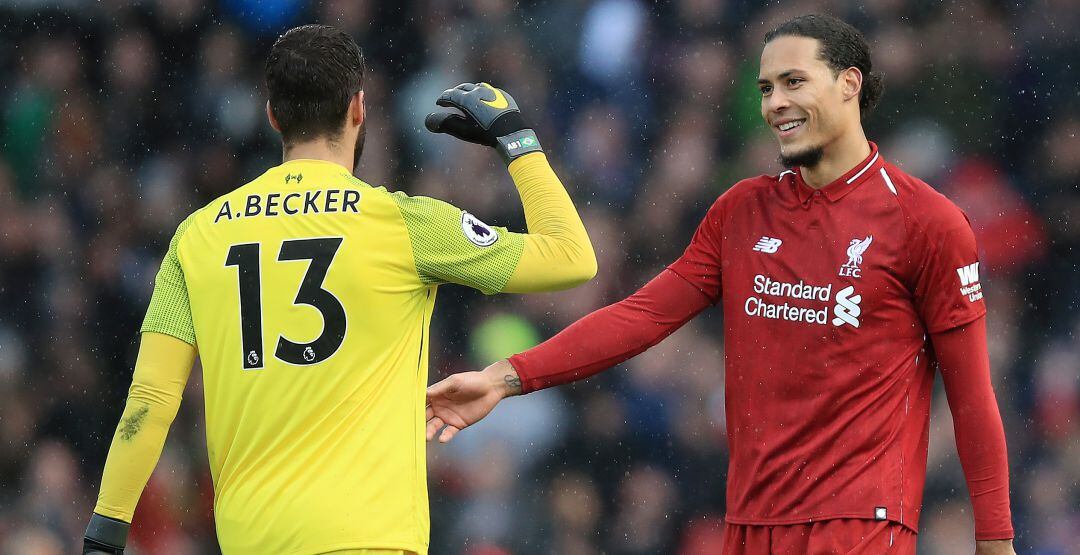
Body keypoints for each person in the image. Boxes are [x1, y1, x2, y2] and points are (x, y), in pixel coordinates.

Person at [425, 14, 1015, 555]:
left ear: (849, 84)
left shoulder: (928, 224)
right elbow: (642, 316)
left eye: (793, 82)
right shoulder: (743, 211)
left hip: (858, 525)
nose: (775, 103)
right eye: (765, 89)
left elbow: (971, 398)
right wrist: (505, 378)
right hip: (750, 522)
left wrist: (995, 541)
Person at [83, 24, 596, 555]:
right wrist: (516, 139)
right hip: (368, 539)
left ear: (273, 116)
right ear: (358, 109)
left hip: (255, 540)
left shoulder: (199, 236)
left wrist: (104, 534)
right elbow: (571, 257)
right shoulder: (402, 224)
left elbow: (150, 401)